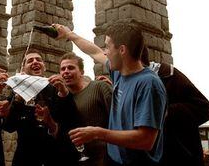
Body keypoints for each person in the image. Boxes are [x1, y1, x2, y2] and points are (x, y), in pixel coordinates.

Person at [54, 22, 167, 166]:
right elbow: (94, 52)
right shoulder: (119, 72)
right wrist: (69, 35)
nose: (105, 52)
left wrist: (97, 133)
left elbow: (145, 140)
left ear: (122, 50)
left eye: (107, 46)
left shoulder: (148, 84)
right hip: (113, 160)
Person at [3, 49, 77, 166]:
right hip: (25, 158)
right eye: (30, 60)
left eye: (38, 60)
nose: (35, 62)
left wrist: (63, 92)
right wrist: (18, 98)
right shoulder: (16, 92)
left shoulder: (56, 88)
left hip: (54, 157)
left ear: (44, 67)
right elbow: (9, 127)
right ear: (23, 69)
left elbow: (70, 120)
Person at [141, 47, 209, 166]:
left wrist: (166, 112)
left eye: (108, 47)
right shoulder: (125, 84)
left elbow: (205, 109)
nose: (106, 52)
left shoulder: (169, 75)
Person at [59, 52, 112, 166]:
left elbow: (119, 119)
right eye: (63, 69)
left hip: (105, 158)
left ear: (82, 72)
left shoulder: (99, 87)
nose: (66, 71)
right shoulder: (61, 98)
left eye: (71, 68)